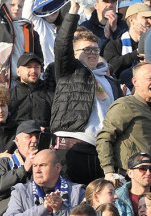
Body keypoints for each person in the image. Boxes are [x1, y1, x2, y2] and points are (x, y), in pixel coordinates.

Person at [51, 3, 122, 185]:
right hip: (71, 147)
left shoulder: (111, 81)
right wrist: (73, 11)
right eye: (86, 50)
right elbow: (61, 44)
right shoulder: (69, 71)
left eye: (95, 49)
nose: (92, 53)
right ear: (74, 54)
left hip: (100, 152)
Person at [95, 63, 151, 183]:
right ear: (135, 82)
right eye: (150, 78)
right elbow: (104, 138)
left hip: (150, 177)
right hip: (128, 177)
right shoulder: (125, 105)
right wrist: (109, 172)